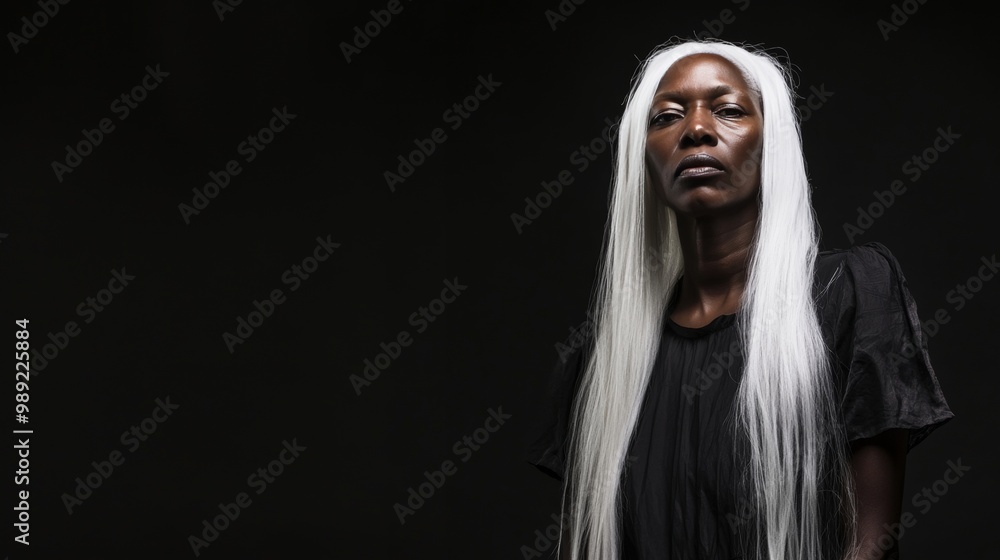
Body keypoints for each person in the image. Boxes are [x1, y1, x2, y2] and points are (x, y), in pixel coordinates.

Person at [525, 39, 954, 560]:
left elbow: (871, 546)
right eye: (666, 117)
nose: (696, 129)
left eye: (728, 110)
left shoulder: (849, 297)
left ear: (770, 141)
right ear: (644, 155)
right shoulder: (604, 362)